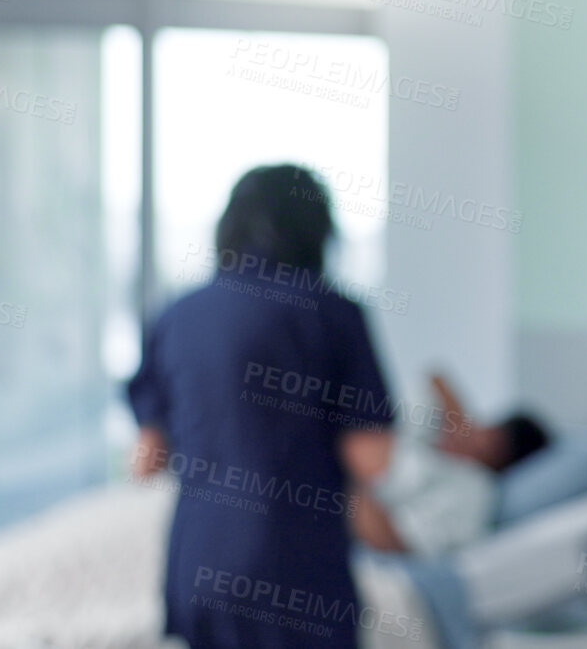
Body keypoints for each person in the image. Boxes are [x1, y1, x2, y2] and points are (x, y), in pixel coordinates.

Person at [128, 164, 396, 649]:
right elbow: (371, 459)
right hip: (295, 569)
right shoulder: (333, 314)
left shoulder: (176, 314)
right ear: (317, 231)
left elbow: (146, 461)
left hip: (198, 561)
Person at [350, 372, 552, 557]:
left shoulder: (475, 492)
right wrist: (458, 421)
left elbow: (397, 540)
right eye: (487, 431)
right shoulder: (444, 428)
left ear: (502, 462)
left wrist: (344, 484)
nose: (479, 441)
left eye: (493, 446)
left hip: (349, 499)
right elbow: (435, 377)